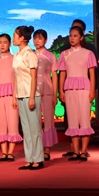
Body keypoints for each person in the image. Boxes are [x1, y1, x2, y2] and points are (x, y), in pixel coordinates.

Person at [58, 26, 97, 161]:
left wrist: (92, 90)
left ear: (81, 37)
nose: (72, 38)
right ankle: (75, 151)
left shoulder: (88, 53)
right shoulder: (64, 54)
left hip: (85, 88)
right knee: (73, 120)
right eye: (70, 35)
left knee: (85, 119)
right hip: (69, 88)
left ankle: (84, 151)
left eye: (75, 36)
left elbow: (92, 74)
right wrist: (61, 90)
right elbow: (62, 73)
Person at [0, 33, 22, 162]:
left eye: (5, 42)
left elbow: (17, 79)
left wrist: (15, 96)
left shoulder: (15, 59)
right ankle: (4, 152)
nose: (2, 45)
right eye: (0, 42)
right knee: (0, 123)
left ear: (10, 44)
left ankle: (11, 152)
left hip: (12, 95)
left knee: (13, 122)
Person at [13, 25, 44, 170]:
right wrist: (14, 96)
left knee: (34, 127)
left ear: (22, 38)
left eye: (15, 35)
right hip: (20, 94)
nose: (13, 38)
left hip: (31, 95)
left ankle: (38, 158)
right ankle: (29, 158)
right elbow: (16, 77)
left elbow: (34, 77)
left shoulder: (30, 54)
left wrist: (32, 97)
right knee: (25, 128)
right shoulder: (17, 55)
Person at [33, 29, 59, 161]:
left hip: (47, 91)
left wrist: (55, 95)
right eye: (35, 38)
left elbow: (55, 76)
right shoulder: (30, 55)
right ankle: (37, 150)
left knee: (48, 121)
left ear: (46, 40)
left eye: (40, 38)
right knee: (35, 122)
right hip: (33, 92)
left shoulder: (51, 56)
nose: (37, 41)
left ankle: (47, 150)